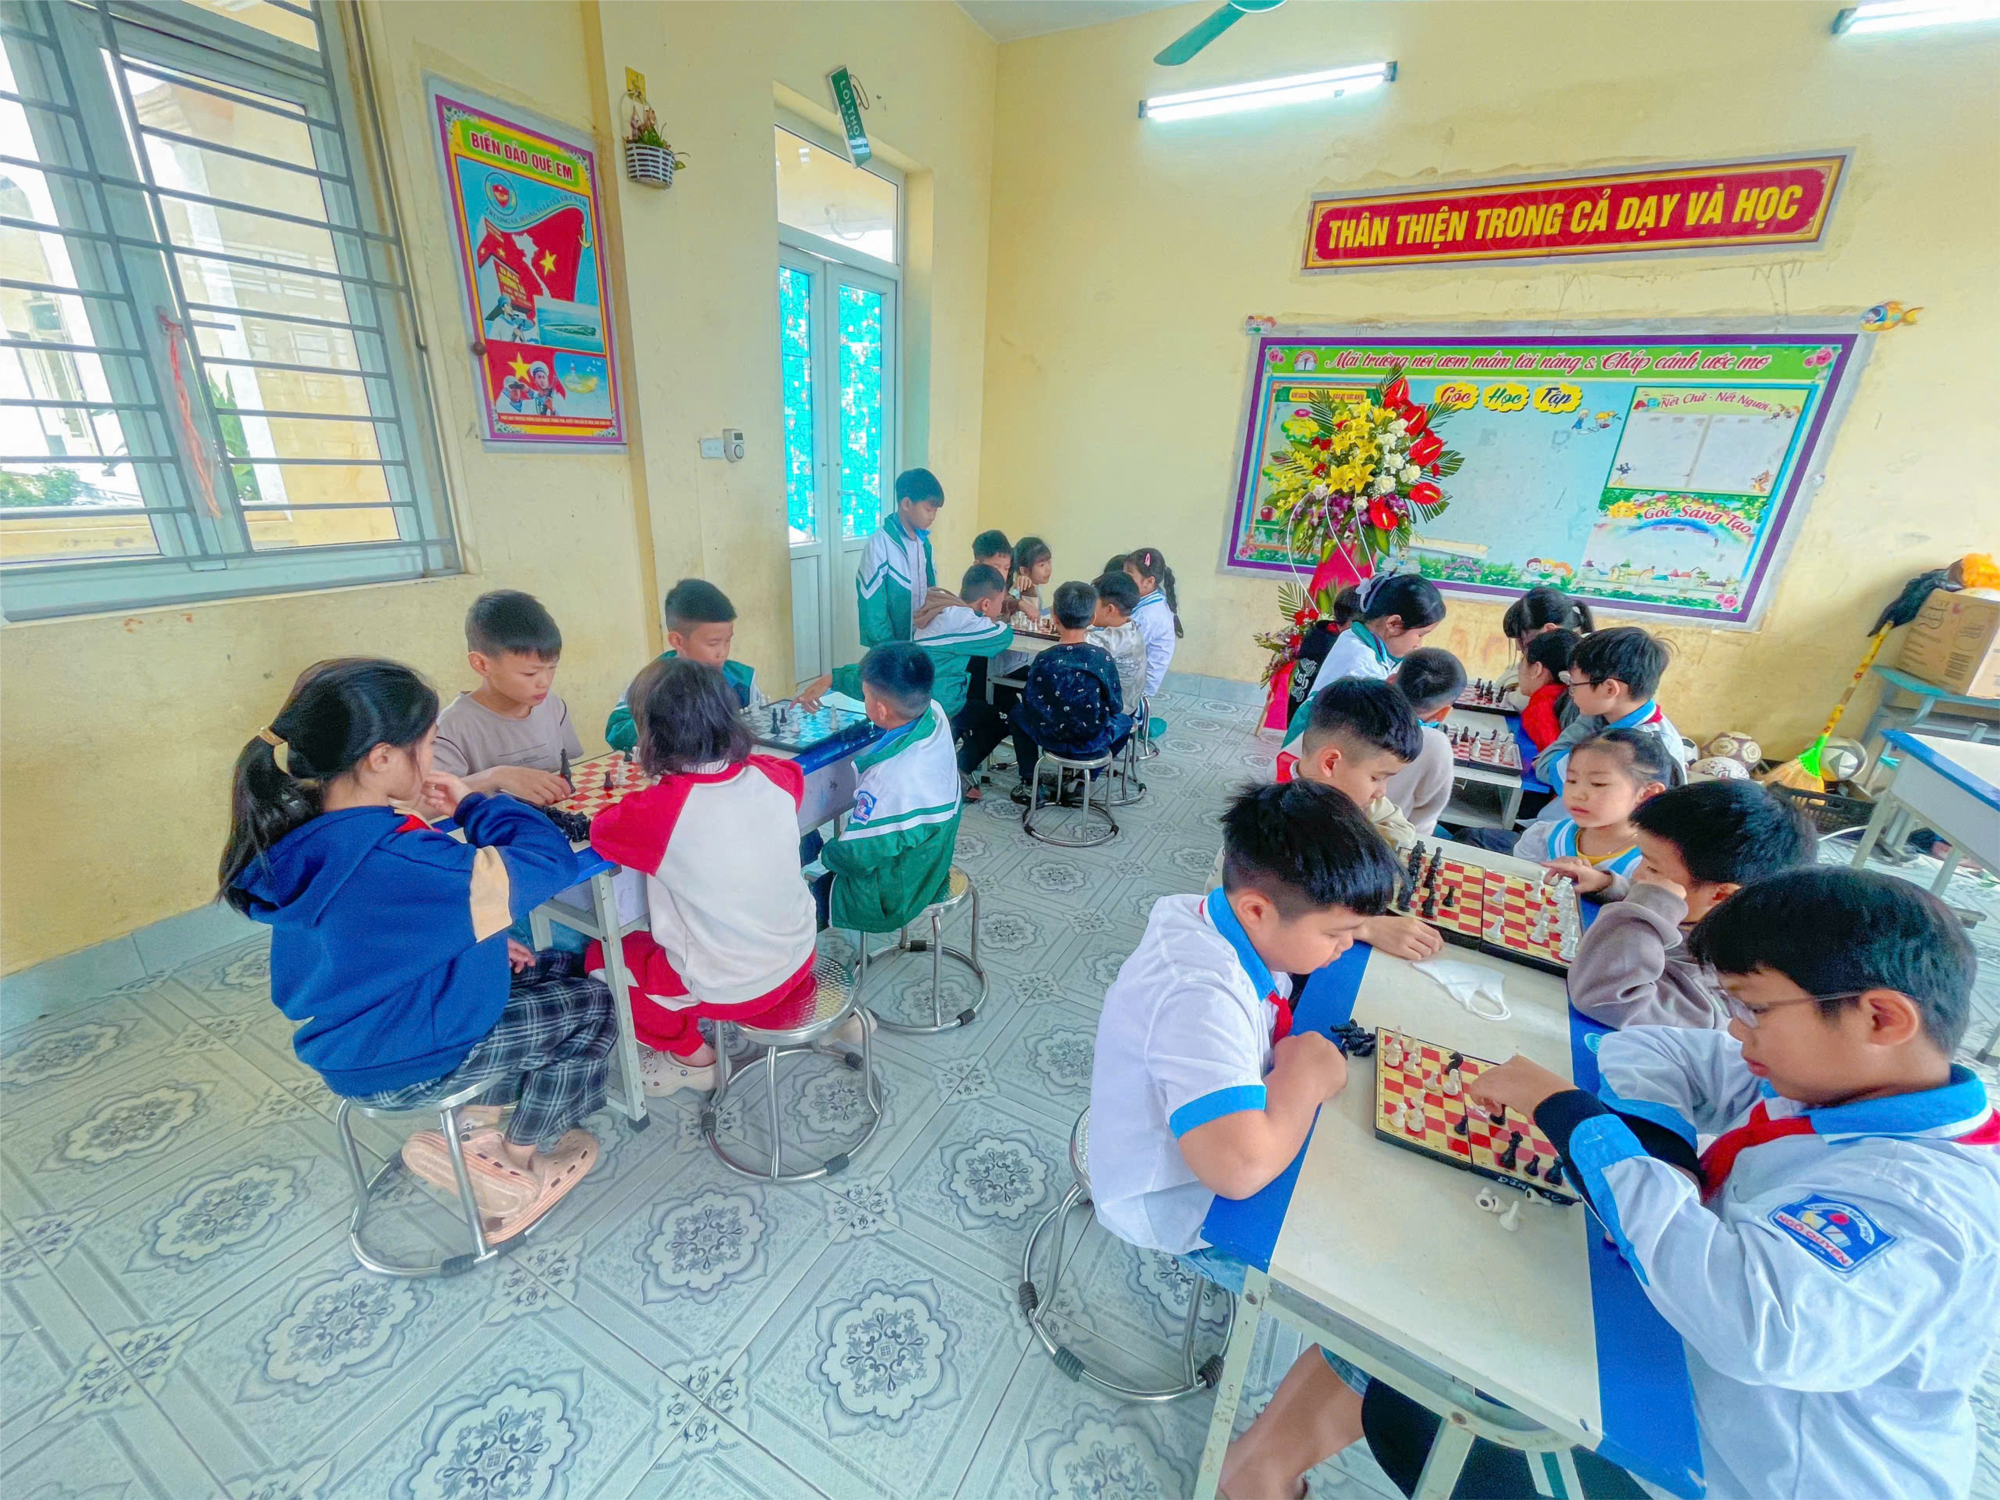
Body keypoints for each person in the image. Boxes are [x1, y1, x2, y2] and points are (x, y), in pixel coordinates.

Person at [1468, 868, 2000, 1500]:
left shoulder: (1924, 1200)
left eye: (1756, 1008)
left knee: (1427, 1413)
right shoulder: (1843, 1085)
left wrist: (1569, 1114)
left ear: (1881, 1018)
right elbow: (1655, 1050)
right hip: (1686, 1397)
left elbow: (1754, 1326)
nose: (1735, 1029)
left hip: (1755, 1477)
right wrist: (1666, 1162)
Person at [219, 658, 613, 1241]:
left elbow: (371, 934)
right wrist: (473, 804)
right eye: (427, 745)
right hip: (409, 1056)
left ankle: (479, 1130)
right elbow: (546, 859)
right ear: (381, 758)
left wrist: (472, 936)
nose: (432, 760)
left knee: (551, 967)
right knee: (594, 1004)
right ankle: (516, 1162)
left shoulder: (307, 834)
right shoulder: (406, 859)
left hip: (355, 1034)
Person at [1092, 781, 1401, 1500]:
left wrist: (1352, 927)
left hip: (1209, 1141)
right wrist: (1305, 1075)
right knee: (1390, 1317)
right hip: (1180, 1201)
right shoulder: (1199, 994)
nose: (1345, 947)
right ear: (1259, 909)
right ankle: (1257, 1470)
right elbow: (1239, 1170)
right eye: (1337, 934)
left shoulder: (1223, 916)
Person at [585, 660, 819, 1096]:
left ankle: (692, 1058)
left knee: (601, 957)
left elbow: (602, 831)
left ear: (650, 737)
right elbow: (789, 775)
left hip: (733, 988)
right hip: (802, 955)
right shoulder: (774, 777)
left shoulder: (661, 812)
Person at [1566, 779, 1817, 1029]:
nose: (1639, 874)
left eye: (1653, 869)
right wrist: (1607, 884)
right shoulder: (1712, 913)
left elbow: (1604, 998)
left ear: (1721, 895)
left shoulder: (1726, 983)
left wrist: (1650, 903)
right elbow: (1679, 897)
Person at [804, 563, 1016, 796]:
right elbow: (1003, 637)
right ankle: (957, 771)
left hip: (923, 700)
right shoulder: (965, 620)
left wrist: (833, 678)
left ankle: (948, 767)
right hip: (940, 706)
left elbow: (878, 674)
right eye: (1000, 602)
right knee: (1001, 720)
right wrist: (1016, 606)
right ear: (985, 604)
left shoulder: (943, 610)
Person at [809, 643, 960, 934]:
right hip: (931, 859)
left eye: (865, 695)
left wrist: (824, 856)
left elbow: (855, 856)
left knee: (796, 900)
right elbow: (882, 686)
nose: (862, 696)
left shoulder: (891, 779)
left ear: (879, 709)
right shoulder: (934, 712)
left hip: (893, 893)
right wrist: (832, 680)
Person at [606, 578, 824, 752]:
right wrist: (663, 721)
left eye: (727, 641)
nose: (722, 652)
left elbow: (757, 727)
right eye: (713, 643)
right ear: (677, 641)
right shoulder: (650, 682)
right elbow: (615, 731)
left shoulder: (742, 679)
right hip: (672, 779)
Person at [432, 590, 582, 806]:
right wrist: (495, 776)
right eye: (530, 673)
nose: (545, 682)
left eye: (552, 667)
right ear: (481, 664)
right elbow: (433, 800)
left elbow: (571, 767)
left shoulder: (552, 704)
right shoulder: (453, 726)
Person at [1284, 573, 1447, 741]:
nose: (1418, 644)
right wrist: (1424, 724)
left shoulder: (1355, 638)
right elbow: (1380, 727)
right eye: (1420, 635)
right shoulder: (1362, 667)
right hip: (1316, 747)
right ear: (1393, 624)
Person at [1007, 580, 1131, 801]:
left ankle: (1029, 782)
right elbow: (1116, 705)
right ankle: (1085, 779)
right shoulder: (1101, 658)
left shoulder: (1045, 658)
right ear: (1092, 619)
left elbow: (1029, 701)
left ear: (1054, 617)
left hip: (1049, 738)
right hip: (1092, 741)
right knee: (1126, 722)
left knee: (1016, 713)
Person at [1515, 728, 1673, 887]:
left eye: (1598, 784)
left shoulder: (1652, 866)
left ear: (1647, 794)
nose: (1577, 794)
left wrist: (1604, 884)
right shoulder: (1544, 837)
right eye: (1571, 780)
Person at [1533, 626, 1688, 787]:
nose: (1571, 693)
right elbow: (1548, 764)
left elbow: (1546, 768)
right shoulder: (1605, 714)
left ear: (1609, 690)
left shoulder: (1640, 750)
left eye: (1574, 684)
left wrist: (1552, 762)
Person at [856, 466, 943, 646]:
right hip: (890, 647)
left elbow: (931, 589)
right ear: (906, 504)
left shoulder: (924, 543)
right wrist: (890, 648)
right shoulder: (880, 544)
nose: (933, 517)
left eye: (935, 511)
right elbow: (872, 609)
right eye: (928, 510)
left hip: (920, 640)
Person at [1384, 647, 1464, 839]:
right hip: (1391, 839)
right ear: (1443, 713)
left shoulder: (1350, 709)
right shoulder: (1436, 745)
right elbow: (1425, 819)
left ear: (1390, 681)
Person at [1498, 585, 1595, 709]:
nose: (1518, 647)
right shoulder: (1562, 649)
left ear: (1549, 630)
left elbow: (1527, 700)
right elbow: (1507, 678)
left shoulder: (1583, 660)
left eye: (1520, 639)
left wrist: (1515, 691)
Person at [1123, 546, 1183, 700]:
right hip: (1134, 675)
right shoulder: (1152, 599)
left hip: (1138, 689)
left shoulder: (1148, 615)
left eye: (1128, 575)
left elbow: (1121, 647)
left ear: (1149, 581)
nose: (1122, 580)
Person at [1088, 568, 1148, 715]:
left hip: (1115, 712)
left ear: (1110, 609)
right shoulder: (1131, 628)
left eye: (1093, 603)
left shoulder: (1112, 641)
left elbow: (1072, 639)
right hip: (1129, 704)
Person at [1518, 628, 1580, 752]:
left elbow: (1552, 757)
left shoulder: (1539, 710)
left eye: (1522, 662)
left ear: (1537, 669)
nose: (1519, 670)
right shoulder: (1575, 697)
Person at [1008, 535, 1054, 621]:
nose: (1048, 569)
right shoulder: (1017, 590)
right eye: (1042, 565)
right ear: (1024, 570)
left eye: (1049, 562)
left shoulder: (1036, 586)